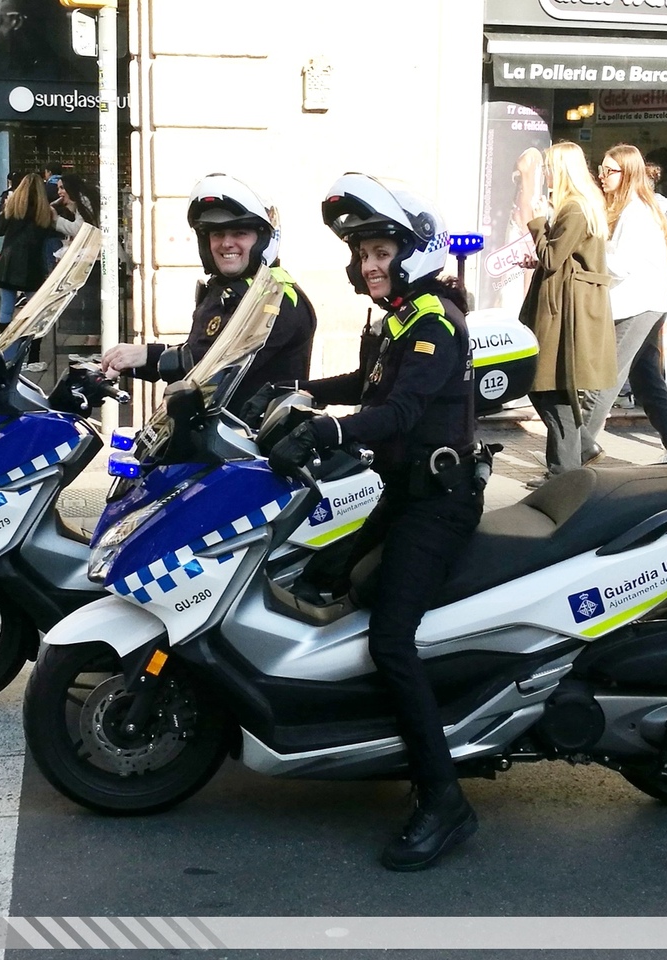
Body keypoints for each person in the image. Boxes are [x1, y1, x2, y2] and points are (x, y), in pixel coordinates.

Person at [268, 174, 482, 872]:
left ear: (413, 248)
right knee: (325, 573)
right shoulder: (396, 320)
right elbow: (366, 388)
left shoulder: (436, 325)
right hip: (401, 493)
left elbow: (399, 415)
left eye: (381, 248)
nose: (370, 264)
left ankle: (444, 798)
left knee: (392, 639)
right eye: (362, 253)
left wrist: (327, 430)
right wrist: (294, 393)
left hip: (437, 507)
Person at [101, 174, 316, 416]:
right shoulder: (224, 290)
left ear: (263, 238)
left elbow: (223, 364)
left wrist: (151, 355)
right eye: (217, 234)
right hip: (209, 434)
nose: (226, 243)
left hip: (252, 442)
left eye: (239, 233)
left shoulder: (276, 297)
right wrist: (126, 363)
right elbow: (201, 350)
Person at [578, 143, 667, 462]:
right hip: (644, 301)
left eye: (610, 171)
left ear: (629, 173)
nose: (602, 176)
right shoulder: (629, 207)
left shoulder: (635, 212)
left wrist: (587, 251)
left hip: (636, 304)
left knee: (604, 378)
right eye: (601, 169)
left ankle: (575, 456)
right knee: (644, 375)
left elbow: (622, 265)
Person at [520, 142, 617, 485]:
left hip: (564, 311)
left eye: (549, 167)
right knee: (550, 385)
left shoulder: (574, 208)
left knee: (546, 385)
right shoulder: (582, 205)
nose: (545, 172)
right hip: (566, 307)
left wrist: (535, 223)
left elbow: (552, 258)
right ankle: (576, 455)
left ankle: (566, 469)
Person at [0, 172, 84, 372]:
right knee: (37, 314)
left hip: (9, 265)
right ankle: (32, 357)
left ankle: (8, 353)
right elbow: (56, 230)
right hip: (31, 267)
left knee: (6, 311)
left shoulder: (13, 208)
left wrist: (5, 209)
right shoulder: (42, 212)